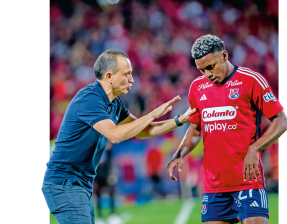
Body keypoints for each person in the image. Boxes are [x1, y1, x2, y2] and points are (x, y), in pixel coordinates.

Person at [42, 49, 196, 224]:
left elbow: (144, 130)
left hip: (80, 184)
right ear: (109, 76)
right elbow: (115, 135)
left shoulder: (114, 103)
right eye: (127, 74)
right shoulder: (89, 99)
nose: (132, 79)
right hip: (64, 183)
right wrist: (153, 114)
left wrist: (179, 120)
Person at [167, 34, 287, 224]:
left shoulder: (251, 80)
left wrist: (255, 148)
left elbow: (281, 121)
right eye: (201, 70)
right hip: (214, 185)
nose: (207, 74)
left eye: (210, 67)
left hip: (248, 181)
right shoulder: (197, 88)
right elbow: (196, 129)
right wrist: (179, 153)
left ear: (224, 56)